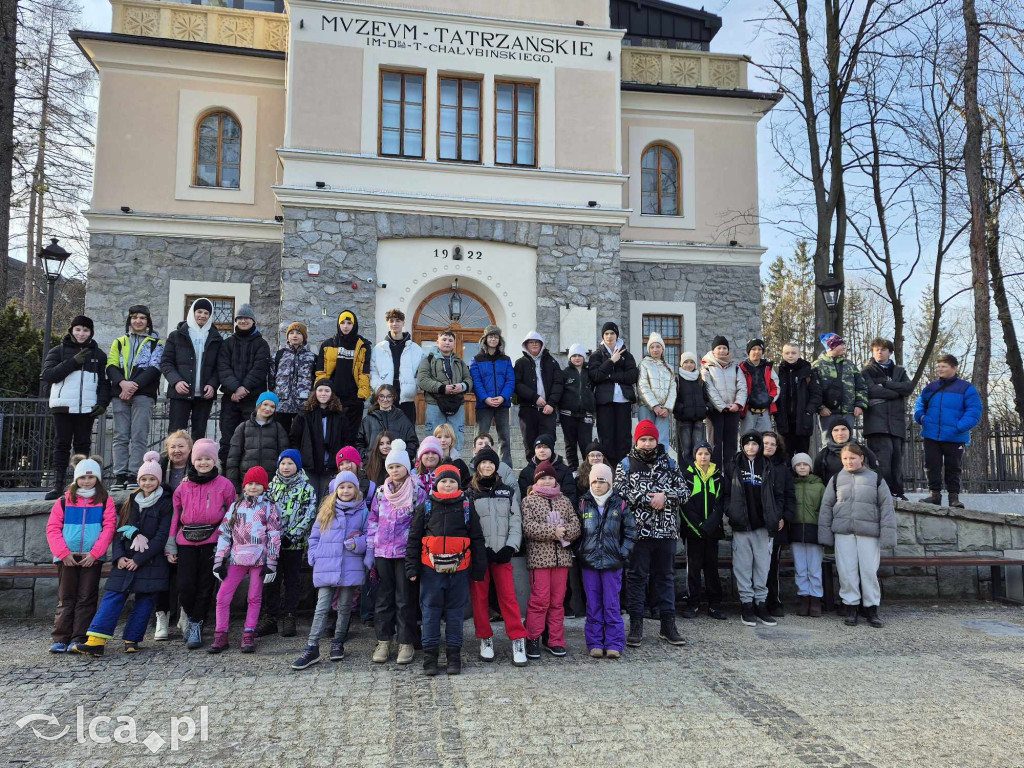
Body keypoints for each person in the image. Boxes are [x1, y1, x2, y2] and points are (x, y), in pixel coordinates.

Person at [75, 452, 173, 656]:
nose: (147, 483)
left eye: (152, 479)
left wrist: (139, 559)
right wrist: (119, 557)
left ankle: (132, 638)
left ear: (159, 480)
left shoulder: (165, 502)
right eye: (144, 479)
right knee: (113, 596)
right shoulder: (131, 500)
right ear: (139, 480)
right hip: (125, 558)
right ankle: (96, 640)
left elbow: (161, 536)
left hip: (151, 560)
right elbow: (119, 531)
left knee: (145, 600)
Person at [406, 465, 487, 676]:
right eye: (444, 481)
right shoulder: (426, 507)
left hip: (459, 571)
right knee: (430, 613)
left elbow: (477, 539)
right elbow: (414, 539)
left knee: (455, 614)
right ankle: (430, 658)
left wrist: (479, 569)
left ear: (459, 485)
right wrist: (412, 567)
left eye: (452, 481)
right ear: (436, 483)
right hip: (430, 572)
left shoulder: (467, 507)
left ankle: (454, 657)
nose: (448, 484)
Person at [616, 420, 687, 648]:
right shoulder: (625, 464)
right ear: (636, 440)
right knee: (636, 577)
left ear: (657, 440)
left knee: (665, 577)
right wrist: (648, 498)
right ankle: (636, 624)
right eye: (643, 439)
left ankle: (668, 625)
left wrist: (665, 496)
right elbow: (619, 492)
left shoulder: (671, 464)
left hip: (666, 532)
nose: (647, 443)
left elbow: (685, 491)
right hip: (638, 533)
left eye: (651, 439)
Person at [292, 471, 369, 669]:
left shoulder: (362, 511)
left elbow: (369, 536)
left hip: (349, 566)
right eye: (342, 487)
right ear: (336, 489)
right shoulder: (326, 510)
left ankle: (338, 641)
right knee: (321, 608)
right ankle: (312, 646)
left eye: (349, 487)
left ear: (356, 490)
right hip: (326, 566)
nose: (345, 491)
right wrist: (314, 556)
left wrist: (357, 544)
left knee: (344, 607)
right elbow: (314, 537)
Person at [166, 438, 236, 650]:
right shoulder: (183, 486)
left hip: (213, 539)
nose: (203, 463)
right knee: (185, 586)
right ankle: (189, 616)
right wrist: (171, 544)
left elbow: (232, 515)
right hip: (186, 540)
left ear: (214, 461)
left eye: (208, 458)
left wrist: (228, 543)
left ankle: (196, 624)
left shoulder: (225, 485)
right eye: (199, 459)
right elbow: (175, 516)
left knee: (206, 586)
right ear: (193, 461)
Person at [818, 443, 897, 628]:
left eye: (852, 458)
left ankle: (871, 608)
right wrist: (825, 535)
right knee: (847, 572)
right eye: (845, 458)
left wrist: (887, 536)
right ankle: (850, 606)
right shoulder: (836, 479)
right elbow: (826, 508)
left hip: (868, 534)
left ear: (861, 458)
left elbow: (886, 508)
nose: (849, 462)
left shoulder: (876, 479)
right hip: (843, 533)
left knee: (869, 572)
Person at [45, 458, 116, 653]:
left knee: (87, 597)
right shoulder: (63, 501)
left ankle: (79, 637)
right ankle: (61, 638)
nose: (86, 481)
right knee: (66, 598)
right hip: (67, 557)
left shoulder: (105, 501)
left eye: (91, 477)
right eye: (83, 477)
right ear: (76, 479)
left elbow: (109, 528)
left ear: (97, 479)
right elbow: (52, 529)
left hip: (91, 558)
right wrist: (63, 553)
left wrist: (95, 553)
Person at [208, 466, 282, 654]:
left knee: (254, 597)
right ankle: (221, 634)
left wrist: (271, 563)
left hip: (259, 559)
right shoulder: (235, 506)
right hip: (237, 558)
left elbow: (274, 534)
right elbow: (225, 533)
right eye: (250, 483)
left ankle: (249, 633)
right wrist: (219, 559)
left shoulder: (269, 507)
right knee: (223, 596)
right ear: (244, 485)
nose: (254, 487)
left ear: (264, 486)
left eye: (258, 483)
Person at [466, 447, 528, 666]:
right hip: (479, 555)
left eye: (490, 463)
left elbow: (515, 521)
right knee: (480, 598)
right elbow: (469, 525)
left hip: (502, 553)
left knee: (508, 598)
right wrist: (478, 550)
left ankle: (518, 639)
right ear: (477, 466)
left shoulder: (507, 491)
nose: (487, 466)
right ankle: (485, 638)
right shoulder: (470, 492)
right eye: (483, 463)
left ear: (496, 466)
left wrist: (510, 547)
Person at [367, 439, 426, 666]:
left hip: (404, 553)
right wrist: (371, 546)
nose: (394, 471)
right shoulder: (381, 492)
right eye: (390, 467)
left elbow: (420, 523)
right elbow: (373, 519)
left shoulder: (417, 492)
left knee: (405, 599)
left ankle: (405, 642)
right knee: (383, 599)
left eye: (398, 467)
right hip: (382, 552)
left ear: (407, 467)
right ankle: (383, 640)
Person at [41, 315, 111, 500]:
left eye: (86, 330)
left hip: (86, 408)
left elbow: (104, 383)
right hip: (63, 406)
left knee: (83, 445)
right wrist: (73, 362)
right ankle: (57, 485)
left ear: (91, 332)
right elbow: (49, 375)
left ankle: (80, 483)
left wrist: (103, 403)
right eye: (78, 329)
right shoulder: (58, 351)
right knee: (61, 444)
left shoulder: (99, 355)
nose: (81, 333)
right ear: (71, 330)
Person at [521, 460, 581, 659]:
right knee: (540, 601)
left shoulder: (564, 500)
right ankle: (532, 638)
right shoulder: (529, 500)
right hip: (540, 560)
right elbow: (529, 527)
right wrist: (552, 531)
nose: (547, 481)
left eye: (550, 478)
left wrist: (564, 531)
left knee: (557, 602)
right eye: (543, 478)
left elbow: (575, 524)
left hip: (562, 559)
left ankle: (555, 639)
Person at [724, 432, 784, 628]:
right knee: (742, 566)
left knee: (762, 566)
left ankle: (761, 603)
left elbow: (778, 494)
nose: (751, 448)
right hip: (742, 525)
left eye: (754, 444)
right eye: (747, 444)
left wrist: (775, 516)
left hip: (763, 525)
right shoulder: (734, 465)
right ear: (742, 446)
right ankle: (747, 604)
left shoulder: (768, 466)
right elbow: (725, 493)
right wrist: (731, 512)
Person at [577, 463, 636, 659]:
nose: (598, 485)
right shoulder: (583, 503)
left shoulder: (619, 504)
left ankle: (614, 643)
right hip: (590, 563)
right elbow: (577, 531)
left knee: (611, 603)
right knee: (593, 604)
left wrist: (622, 553)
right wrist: (581, 551)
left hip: (612, 563)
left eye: (602, 481)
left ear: (609, 483)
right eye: (594, 481)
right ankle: (594, 642)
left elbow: (630, 531)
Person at [257, 450, 317, 639]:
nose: (286, 467)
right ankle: (270, 617)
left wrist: (293, 535)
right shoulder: (270, 487)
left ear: (297, 466)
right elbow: (263, 512)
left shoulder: (306, 488)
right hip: (272, 545)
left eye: (290, 463)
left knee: (292, 580)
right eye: (283, 463)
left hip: (294, 544)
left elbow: (309, 514)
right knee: (271, 580)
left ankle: (290, 615)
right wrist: (270, 536)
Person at [913, 354, 983, 509]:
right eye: (938, 366)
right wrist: (922, 418)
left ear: (954, 368)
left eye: (944, 366)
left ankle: (954, 498)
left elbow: (974, 411)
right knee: (931, 465)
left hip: (955, 436)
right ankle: (934, 495)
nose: (940, 369)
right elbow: (919, 405)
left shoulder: (966, 388)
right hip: (931, 434)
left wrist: (959, 427)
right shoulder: (930, 387)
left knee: (953, 467)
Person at [107, 304, 163, 490]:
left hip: (144, 394)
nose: (138, 321)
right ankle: (119, 474)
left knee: (139, 435)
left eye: (142, 318)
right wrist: (123, 383)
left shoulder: (157, 343)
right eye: (134, 317)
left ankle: (134, 474)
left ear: (148, 322)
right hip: (120, 393)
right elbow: (111, 365)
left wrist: (133, 386)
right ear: (129, 321)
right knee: (120, 435)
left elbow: (154, 368)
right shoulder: (119, 342)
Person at [217, 304, 272, 464]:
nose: (243, 321)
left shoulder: (261, 344)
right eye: (240, 318)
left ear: (253, 321)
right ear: (236, 321)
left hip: (252, 398)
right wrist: (235, 388)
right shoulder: (227, 343)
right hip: (230, 398)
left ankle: (248, 474)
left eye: (247, 318)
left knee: (250, 438)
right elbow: (222, 367)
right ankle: (227, 472)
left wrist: (244, 388)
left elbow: (260, 368)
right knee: (228, 438)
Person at [162, 298, 222, 440]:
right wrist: (176, 381)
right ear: (192, 313)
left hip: (204, 395)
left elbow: (220, 366)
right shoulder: (176, 336)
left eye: (206, 313)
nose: (202, 315)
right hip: (180, 394)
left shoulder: (216, 339)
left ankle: (196, 462)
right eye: (199, 312)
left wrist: (213, 385)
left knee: (199, 435)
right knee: (176, 434)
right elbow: (166, 362)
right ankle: (174, 462)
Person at [861, 338, 914, 501]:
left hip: (896, 423)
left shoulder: (899, 371)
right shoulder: (867, 371)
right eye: (876, 349)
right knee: (882, 458)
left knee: (897, 458)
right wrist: (896, 392)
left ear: (890, 352)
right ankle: (883, 491)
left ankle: (898, 491)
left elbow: (909, 387)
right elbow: (870, 390)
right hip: (876, 423)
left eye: (883, 349)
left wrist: (884, 384)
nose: (879, 352)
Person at [679, 441, 726, 620]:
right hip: (693, 532)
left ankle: (715, 604)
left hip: (712, 532)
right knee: (693, 568)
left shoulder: (718, 476)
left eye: (706, 453)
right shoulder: (687, 476)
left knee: (712, 567)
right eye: (700, 453)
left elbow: (720, 503)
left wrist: (710, 525)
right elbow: (685, 505)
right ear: (694, 456)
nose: (703, 457)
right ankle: (693, 603)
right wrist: (698, 526)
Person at [154, 431, 193, 641]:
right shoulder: (157, 470)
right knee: (162, 576)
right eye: (173, 447)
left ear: (189, 449)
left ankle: (185, 615)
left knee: (186, 577)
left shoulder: (198, 468)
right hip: (162, 526)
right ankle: (162, 617)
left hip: (187, 529)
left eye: (181, 447)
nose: (176, 451)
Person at [290, 378, 353, 500]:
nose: (323, 393)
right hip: (309, 466)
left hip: (331, 466)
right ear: (315, 393)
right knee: (309, 499)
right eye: (320, 390)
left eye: (327, 391)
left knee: (327, 500)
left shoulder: (340, 417)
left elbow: (346, 440)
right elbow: (294, 439)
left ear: (332, 394)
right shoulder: (304, 415)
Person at [315, 309, 372, 437]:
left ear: (354, 325)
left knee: (351, 435)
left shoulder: (363, 346)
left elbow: (365, 372)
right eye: (343, 323)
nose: (345, 326)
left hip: (354, 399)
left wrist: (361, 396)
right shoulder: (328, 344)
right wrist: (322, 394)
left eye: (349, 323)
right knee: (332, 434)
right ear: (338, 324)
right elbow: (321, 372)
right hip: (333, 398)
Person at [588, 322, 639, 466]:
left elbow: (632, 376)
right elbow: (596, 375)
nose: (609, 336)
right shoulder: (596, 355)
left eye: (612, 333)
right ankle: (609, 470)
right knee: (607, 437)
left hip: (623, 401)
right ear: (603, 336)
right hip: (605, 402)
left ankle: (623, 469)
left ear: (617, 335)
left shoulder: (627, 355)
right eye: (606, 334)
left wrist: (610, 376)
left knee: (624, 437)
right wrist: (611, 361)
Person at [417, 328, 473, 452]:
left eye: (450, 340)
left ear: (454, 344)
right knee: (434, 438)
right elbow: (422, 380)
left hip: (456, 404)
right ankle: (434, 466)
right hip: (434, 404)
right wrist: (442, 388)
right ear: (438, 342)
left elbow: (469, 379)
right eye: (444, 339)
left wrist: (462, 386)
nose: (447, 342)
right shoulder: (428, 360)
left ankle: (455, 464)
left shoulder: (460, 362)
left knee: (456, 436)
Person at [514, 330, 564, 463]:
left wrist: (551, 403)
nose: (534, 344)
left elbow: (558, 383)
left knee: (548, 443)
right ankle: (532, 473)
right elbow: (517, 384)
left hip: (548, 410)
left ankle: (549, 471)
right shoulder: (520, 363)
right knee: (529, 443)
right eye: (531, 342)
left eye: (537, 342)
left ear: (542, 344)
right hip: (527, 410)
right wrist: (534, 397)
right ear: (526, 345)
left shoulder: (552, 362)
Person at [470, 325, 515, 466]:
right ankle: (476, 464)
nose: (493, 339)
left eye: (496, 337)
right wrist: (486, 398)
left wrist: (503, 397)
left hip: (502, 404)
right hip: (484, 405)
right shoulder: (476, 359)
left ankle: (506, 467)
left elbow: (510, 380)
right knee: (480, 438)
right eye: (490, 336)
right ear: (485, 339)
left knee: (505, 438)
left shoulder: (506, 359)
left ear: (499, 340)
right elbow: (476, 381)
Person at [226, 392, 290, 492]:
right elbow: (233, 458)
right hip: (248, 484)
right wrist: (234, 485)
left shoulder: (278, 428)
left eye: (272, 406)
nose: (268, 409)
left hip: (271, 484)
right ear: (258, 404)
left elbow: (284, 458)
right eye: (265, 404)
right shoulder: (243, 427)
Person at [369, 308, 424, 425]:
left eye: (398, 321)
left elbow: (422, 371)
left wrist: (414, 386)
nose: (394, 324)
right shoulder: (379, 348)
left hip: (406, 396)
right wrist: (378, 387)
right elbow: (373, 371)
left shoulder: (415, 349)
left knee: (407, 430)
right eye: (391, 321)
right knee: (385, 431)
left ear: (403, 323)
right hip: (385, 395)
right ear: (388, 324)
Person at [761, 431, 795, 617]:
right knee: (757, 564)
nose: (769, 446)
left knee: (773, 565)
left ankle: (773, 600)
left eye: (773, 444)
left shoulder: (783, 468)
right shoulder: (753, 465)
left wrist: (784, 517)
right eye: (766, 443)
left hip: (777, 524)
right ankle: (757, 600)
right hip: (757, 523)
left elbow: (789, 495)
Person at [790, 452, 825, 617]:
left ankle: (816, 598)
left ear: (810, 467)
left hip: (814, 530)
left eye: (805, 464)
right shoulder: (791, 485)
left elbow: (825, 509)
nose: (802, 467)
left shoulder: (819, 486)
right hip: (796, 530)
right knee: (800, 567)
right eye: (798, 465)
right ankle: (803, 597)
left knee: (814, 568)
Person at [702, 336, 746, 467]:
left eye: (724, 348)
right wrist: (722, 406)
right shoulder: (707, 368)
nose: (722, 351)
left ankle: (730, 475)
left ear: (728, 350)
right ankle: (715, 476)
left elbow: (742, 387)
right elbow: (709, 389)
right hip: (715, 411)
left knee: (731, 444)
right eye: (719, 348)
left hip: (733, 411)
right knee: (715, 445)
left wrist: (737, 404)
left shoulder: (736, 368)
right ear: (713, 351)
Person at [813, 333, 867, 435]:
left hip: (848, 413)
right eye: (840, 344)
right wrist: (820, 407)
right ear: (831, 346)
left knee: (848, 444)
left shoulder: (849, 365)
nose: (843, 347)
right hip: (828, 414)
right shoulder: (817, 366)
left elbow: (861, 386)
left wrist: (860, 405)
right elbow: (812, 390)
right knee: (829, 444)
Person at [270, 321, 316, 435]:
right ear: (287, 337)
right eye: (292, 333)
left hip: (303, 406)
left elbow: (315, 381)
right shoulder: (279, 356)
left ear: (304, 337)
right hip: (281, 406)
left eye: (298, 333)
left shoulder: (312, 358)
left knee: (300, 437)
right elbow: (271, 379)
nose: (295, 336)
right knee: (280, 436)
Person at [775, 343, 820, 456]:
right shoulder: (777, 372)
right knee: (785, 455)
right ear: (782, 354)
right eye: (787, 353)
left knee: (803, 456)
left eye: (794, 353)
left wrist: (808, 411)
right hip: (784, 422)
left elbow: (816, 394)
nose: (790, 355)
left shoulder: (808, 371)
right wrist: (777, 412)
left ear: (799, 354)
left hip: (803, 421)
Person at [356, 384, 418, 461]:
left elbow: (412, 442)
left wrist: (404, 458)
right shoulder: (368, 420)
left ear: (393, 398)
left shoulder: (403, 419)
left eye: (389, 396)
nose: (385, 399)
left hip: (397, 465)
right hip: (373, 465)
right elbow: (359, 443)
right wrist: (366, 456)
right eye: (381, 396)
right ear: (377, 398)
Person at [559, 344, 596, 471]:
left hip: (585, 415)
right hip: (567, 415)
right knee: (570, 445)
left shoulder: (590, 373)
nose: (577, 358)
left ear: (584, 357)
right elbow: (559, 392)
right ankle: (573, 471)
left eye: (580, 355)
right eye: (574, 355)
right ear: (570, 358)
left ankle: (588, 471)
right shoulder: (564, 373)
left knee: (586, 445)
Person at [637, 333, 676, 452]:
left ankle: (662, 464)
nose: (655, 349)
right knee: (645, 437)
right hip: (647, 407)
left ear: (662, 349)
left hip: (663, 409)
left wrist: (668, 408)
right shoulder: (644, 364)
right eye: (652, 347)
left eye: (658, 346)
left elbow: (673, 389)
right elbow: (642, 386)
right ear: (648, 349)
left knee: (662, 439)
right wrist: (654, 405)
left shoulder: (669, 368)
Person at [813, 420, 878, 485]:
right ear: (831, 433)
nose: (840, 433)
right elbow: (817, 480)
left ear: (849, 432)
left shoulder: (864, 451)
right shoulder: (823, 454)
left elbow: (876, 474)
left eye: (844, 429)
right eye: (836, 430)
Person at [517, 434, 576, 505]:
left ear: (551, 449)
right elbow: (523, 499)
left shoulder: (565, 470)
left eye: (545, 447)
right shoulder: (526, 472)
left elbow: (570, 496)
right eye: (538, 447)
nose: (542, 450)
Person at [738, 339, 779, 436]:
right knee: (747, 439)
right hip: (748, 411)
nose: (757, 352)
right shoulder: (741, 368)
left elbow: (775, 386)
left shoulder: (768, 367)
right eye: (753, 349)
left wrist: (770, 399)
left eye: (759, 349)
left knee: (766, 439)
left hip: (764, 412)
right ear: (749, 351)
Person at [673, 353, 707, 468]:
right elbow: (673, 398)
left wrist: (705, 408)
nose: (689, 365)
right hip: (684, 419)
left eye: (692, 362)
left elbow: (705, 396)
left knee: (698, 448)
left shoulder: (700, 378)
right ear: (681, 364)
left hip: (698, 419)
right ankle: (684, 474)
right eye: (686, 362)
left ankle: (697, 473)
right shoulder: (677, 379)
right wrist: (680, 409)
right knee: (685, 450)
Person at [433, 423, 471, 488]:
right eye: (439, 437)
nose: (443, 440)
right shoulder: (430, 460)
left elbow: (466, 483)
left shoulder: (459, 463)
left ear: (452, 439)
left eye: (447, 437)